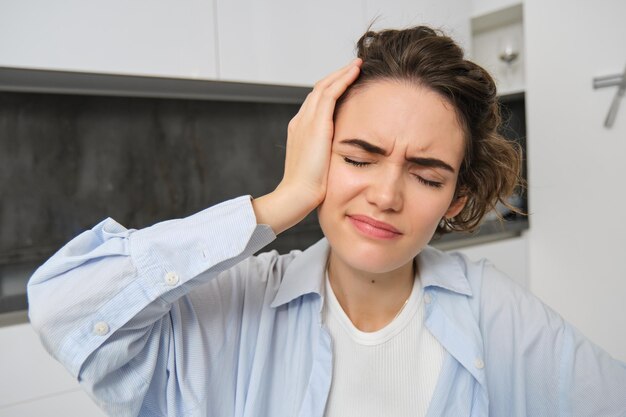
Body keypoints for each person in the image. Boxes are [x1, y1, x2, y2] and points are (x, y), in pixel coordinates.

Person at [28, 26, 626, 417]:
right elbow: (64, 308)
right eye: (359, 158)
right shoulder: (231, 305)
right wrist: (281, 201)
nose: (386, 194)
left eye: (427, 175)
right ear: (318, 153)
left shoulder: (494, 311)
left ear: (456, 200)